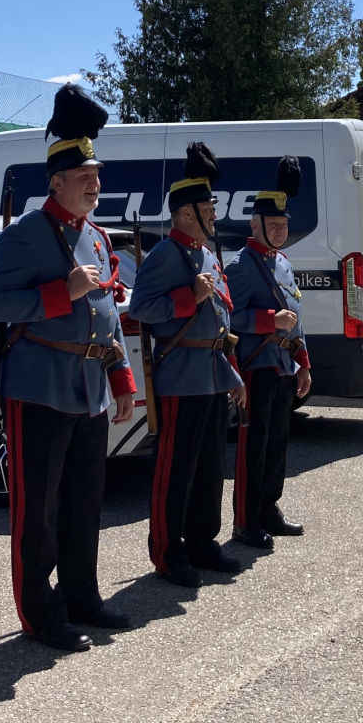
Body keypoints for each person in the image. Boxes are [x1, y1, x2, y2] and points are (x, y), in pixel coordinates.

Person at [0, 84, 137, 654]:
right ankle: (40, 612)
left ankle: (81, 596)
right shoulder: (24, 235)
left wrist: (120, 377)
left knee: (83, 503)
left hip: (90, 389)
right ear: (56, 182)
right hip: (39, 388)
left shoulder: (95, 236)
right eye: (84, 176)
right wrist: (59, 292)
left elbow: (107, 315)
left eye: (96, 175)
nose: (95, 184)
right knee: (38, 513)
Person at [129, 142, 248, 587]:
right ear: (184, 213)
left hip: (212, 374)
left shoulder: (208, 254)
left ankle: (202, 541)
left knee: (209, 467)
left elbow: (222, 321)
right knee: (175, 470)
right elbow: (141, 308)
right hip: (180, 376)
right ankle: (167, 551)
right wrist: (187, 298)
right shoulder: (166, 254)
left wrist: (232, 372)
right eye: (207, 207)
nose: (214, 213)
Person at [225, 156, 312, 549]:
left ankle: (269, 507)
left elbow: (297, 319)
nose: (280, 230)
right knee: (253, 446)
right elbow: (228, 317)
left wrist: (303, 364)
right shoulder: (241, 266)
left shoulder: (284, 263)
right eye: (273, 224)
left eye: (284, 224)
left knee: (277, 442)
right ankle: (246, 520)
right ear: (254, 224)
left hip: (283, 366)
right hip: (256, 365)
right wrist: (268, 320)